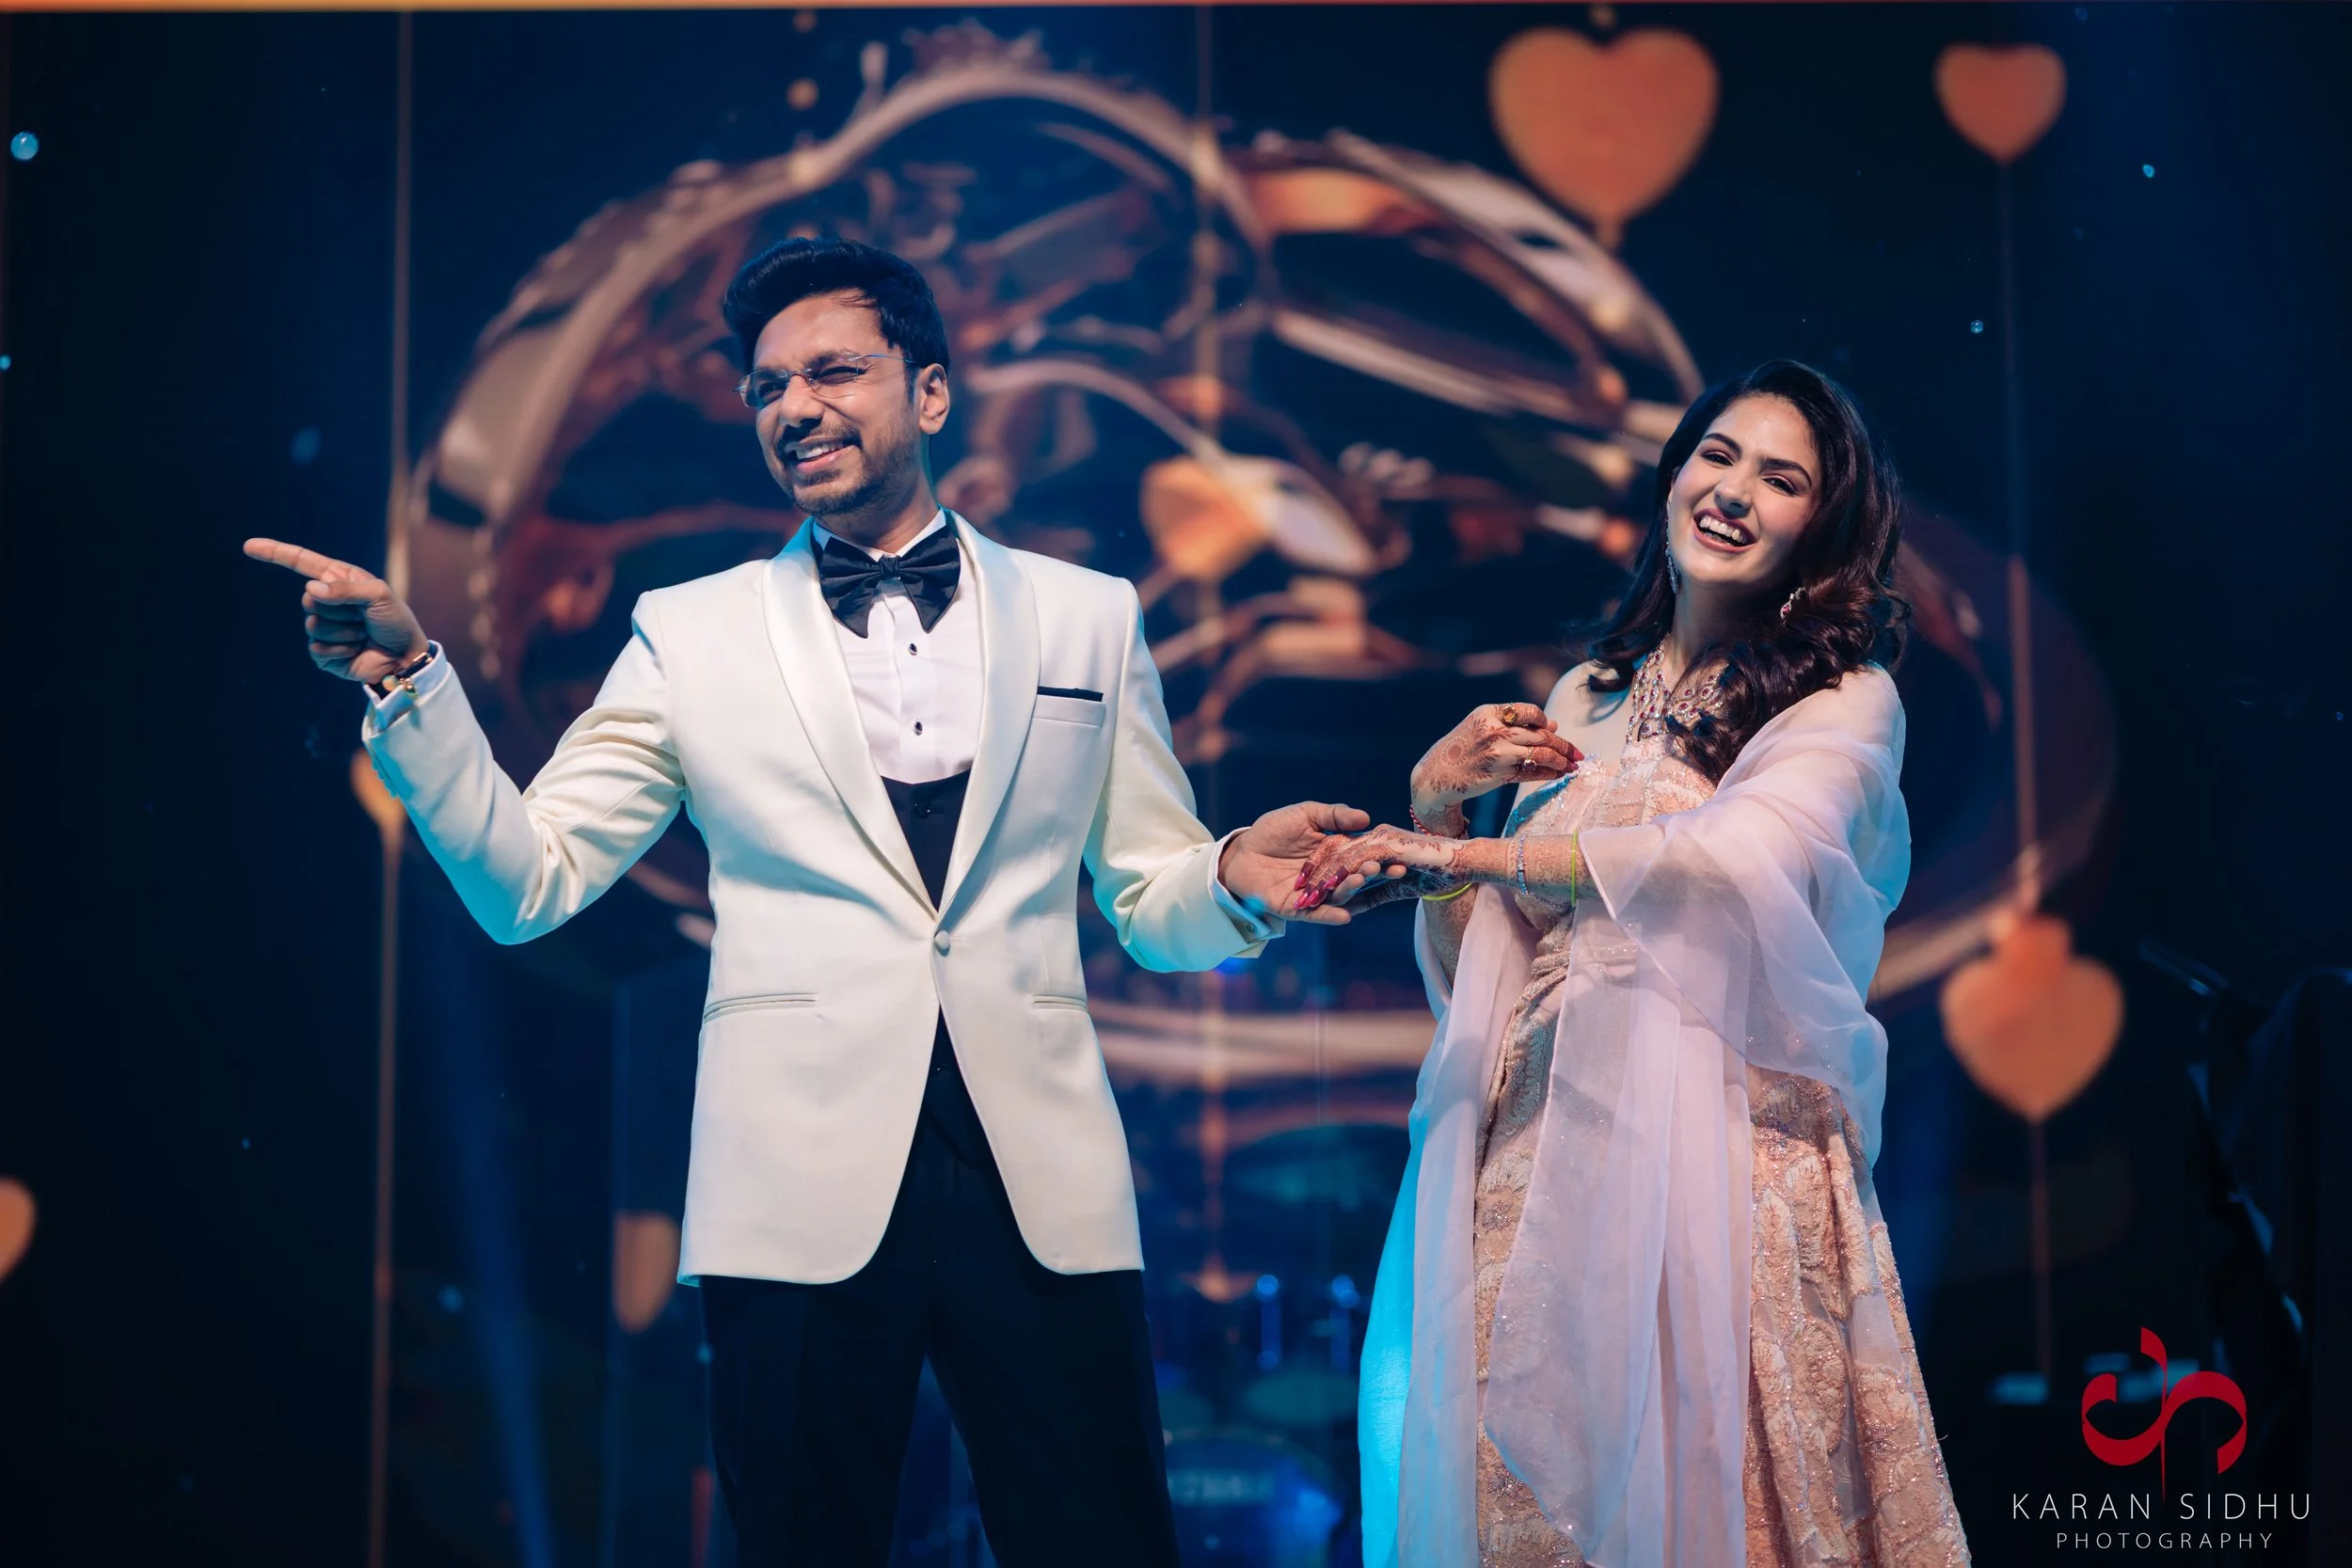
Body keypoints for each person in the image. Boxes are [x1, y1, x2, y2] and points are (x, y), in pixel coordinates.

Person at [248, 237, 1387, 1567]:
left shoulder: (1089, 616)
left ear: (933, 392)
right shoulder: (692, 628)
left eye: (833, 369)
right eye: (766, 386)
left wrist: (1236, 868)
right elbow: (528, 881)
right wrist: (413, 682)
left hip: (1037, 1172)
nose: (793, 405)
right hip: (795, 1174)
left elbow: (1147, 890)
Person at [1298, 362, 1972, 1566]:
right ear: (1672, 477)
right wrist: (1436, 814)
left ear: (1820, 526)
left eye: (1781, 479)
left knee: (1701, 1484)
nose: (1732, 491)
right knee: (1519, 1494)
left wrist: (1496, 849)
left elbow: (1731, 858)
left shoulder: (1841, 699)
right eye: (1715, 455)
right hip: (1536, 1130)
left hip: (1718, 1141)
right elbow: (1484, 966)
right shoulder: (1582, 695)